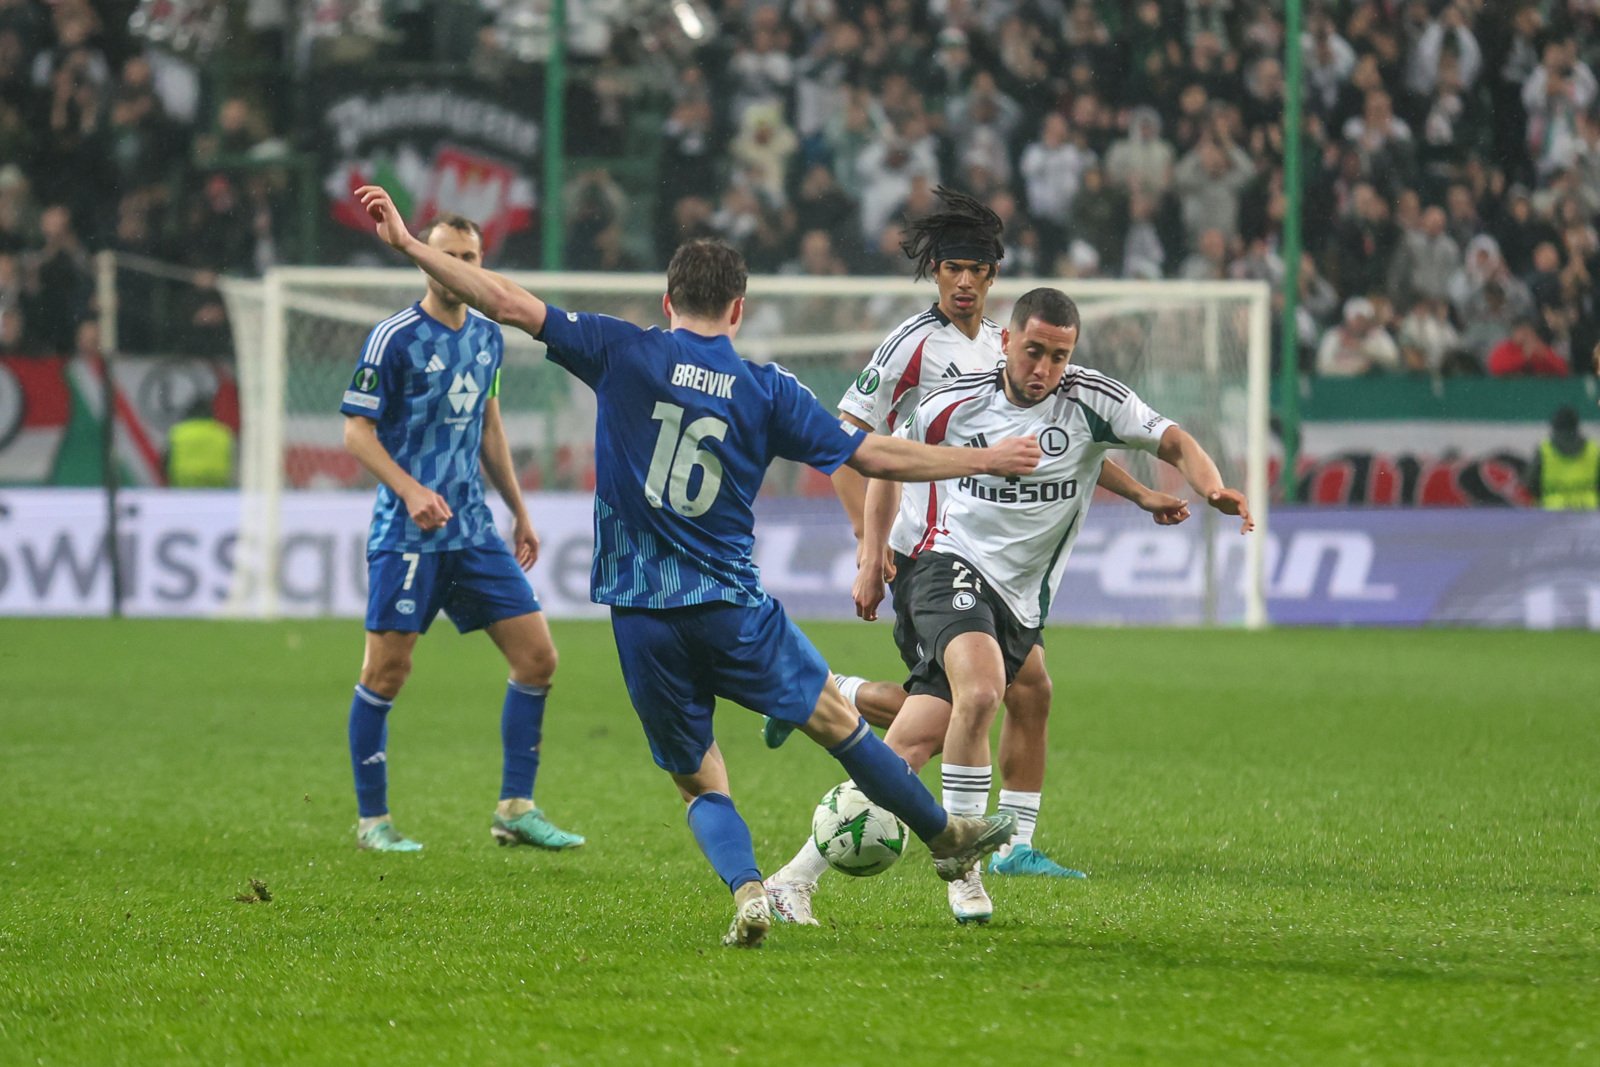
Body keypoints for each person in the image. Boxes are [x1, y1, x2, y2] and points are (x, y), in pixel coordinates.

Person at [356, 184, 1034, 948]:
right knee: (838, 725)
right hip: (731, 607)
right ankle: (946, 837)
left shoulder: (622, 349)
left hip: (642, 618)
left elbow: (509, 301)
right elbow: (874, 452)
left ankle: (748, 889)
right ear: (738, 309)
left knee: (699, 779)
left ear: (667, 298)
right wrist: (982, 455)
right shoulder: (767, 389)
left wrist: (414, 248)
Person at [770, 287, 1252, 926]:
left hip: (1022, 601)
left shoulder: (1092, 399)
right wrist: (870, 552)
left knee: (916, 741)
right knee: (983, 688)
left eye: (1058, 356)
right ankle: (963, 868)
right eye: (1033, 351)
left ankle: (794, 871)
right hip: (943, 568)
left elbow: (1174, 441)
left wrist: (1208, 486)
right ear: (1006, 341)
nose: (1044, 369)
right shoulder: (952, 404)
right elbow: (883, 464)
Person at [337, 212, 583, 855]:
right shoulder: (392, 338)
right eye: (450, 255)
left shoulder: (487, 336)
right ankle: (372, 823)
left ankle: (515, 808)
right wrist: (411, 490)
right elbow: (356, 432)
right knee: (387, 672)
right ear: (426, 260)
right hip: (407, 534)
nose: (463, 267)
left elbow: (490, 428)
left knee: (538, 658)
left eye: (472, 257)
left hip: (472, 532)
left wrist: (520, 511)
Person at [1528, 405, 1600, 509]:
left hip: (1551, 512)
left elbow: (1531, 483)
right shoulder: (1593, 449)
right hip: (1589, 512)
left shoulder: (1544, 450)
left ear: (1554, 426)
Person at [165, 397, 234, 488]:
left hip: (185, 483)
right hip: (215, 483)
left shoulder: (178, 432)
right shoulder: (222, 432)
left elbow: (166, 460)